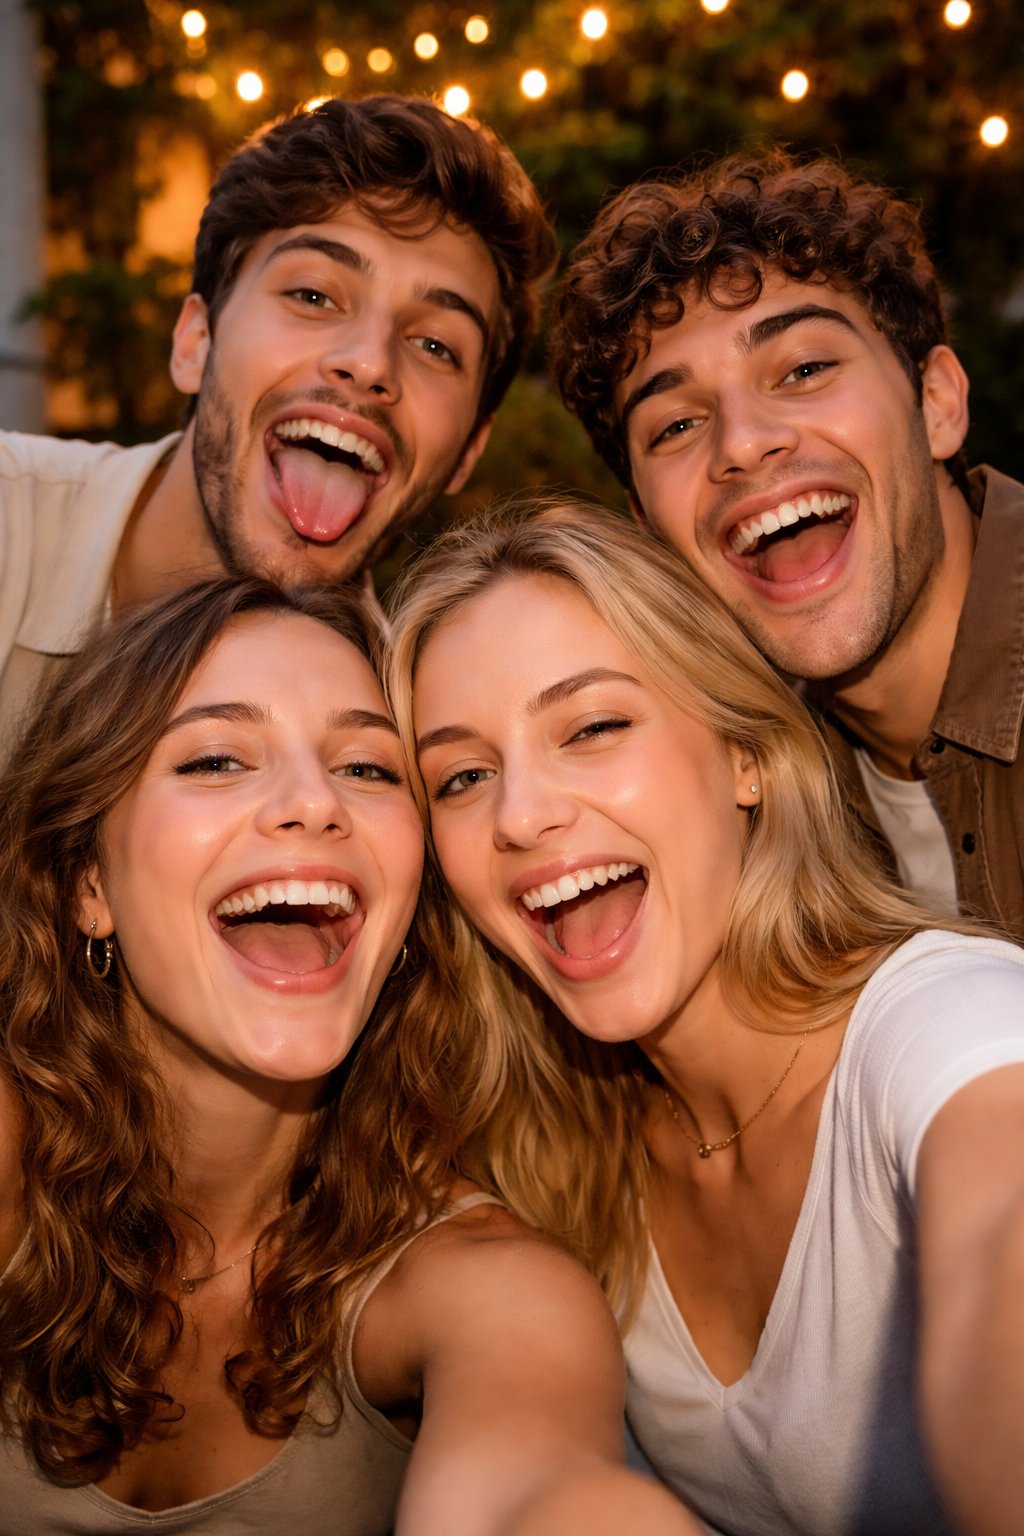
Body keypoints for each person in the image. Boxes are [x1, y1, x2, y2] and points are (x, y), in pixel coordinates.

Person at [0, 573, 702, 1536]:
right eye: (214, 760)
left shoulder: (487, 1286)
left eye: (367, 769)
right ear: (88, 882)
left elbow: (536, 1491)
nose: (312, 804)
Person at [387, 499, 1024, 1536]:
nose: (519, 816)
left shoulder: (948, 1025)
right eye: (461, 777)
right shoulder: (549, 1154)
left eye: (591, 728)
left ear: (746, 756)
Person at [549, 148, 1024, 941]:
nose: (743, 443)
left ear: (937, 402)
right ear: (648, 531)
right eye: (676, 426)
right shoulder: (743, 806)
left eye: (803, 369)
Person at [0, 91, 555, 758]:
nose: (368, 363)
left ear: (469, 450)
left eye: (436, 345)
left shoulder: (420, 743)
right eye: (313, 296)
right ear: (195, 342)